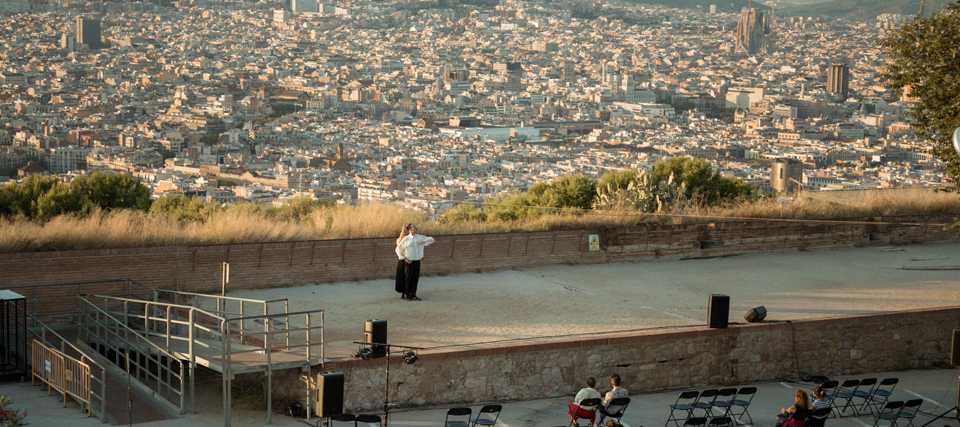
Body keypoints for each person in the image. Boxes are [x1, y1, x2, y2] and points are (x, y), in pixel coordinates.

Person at [394, 223, 434, 301]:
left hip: (417, 261)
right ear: (409, 229)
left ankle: (413, 295)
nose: (415, 227)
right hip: (409, 261)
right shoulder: (406, 239)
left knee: (415, 279)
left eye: (415, 226)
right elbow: (397, 249)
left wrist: (423, 241)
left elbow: (432, 239)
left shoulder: (419, 237)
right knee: (408, 278)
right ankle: (407, 295)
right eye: (413, 226)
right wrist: (405, 258)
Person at [394, 225, 411, 300]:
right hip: (402, 260)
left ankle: (408, 292)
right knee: (402, 277)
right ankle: (403, 293)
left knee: (408, 277)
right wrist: (403, 230)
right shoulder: (399, 240)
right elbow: (400, 241)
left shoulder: (409, 240)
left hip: (409, 259)